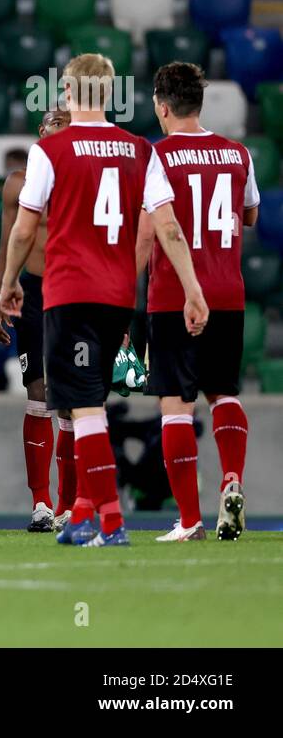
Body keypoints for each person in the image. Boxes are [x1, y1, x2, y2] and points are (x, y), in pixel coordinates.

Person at [0, 54, 209, 547]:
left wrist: (9, 280)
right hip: (119, 296)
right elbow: (169, 227)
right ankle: (83, 517)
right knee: (91, 402)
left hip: (70, 291)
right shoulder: (141, 149)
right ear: (110, 94)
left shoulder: (49, 151)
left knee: (84, 408)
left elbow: (26, 228)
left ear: (68, 94)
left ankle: (109, 522)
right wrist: (193, 289)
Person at [136, 62, 259, 542]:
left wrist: (126, 296)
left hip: (174, 296)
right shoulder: (237, 153)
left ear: (162, 107)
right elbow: (248, 214)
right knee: (224, 392)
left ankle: (189, 520)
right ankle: (232, 479)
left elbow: (152, 231)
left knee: (175, 403)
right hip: (228, 291)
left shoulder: (155, 157)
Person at [0, 108, 71, 533]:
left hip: (76, 288)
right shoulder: (18, 183)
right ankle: (42, 502)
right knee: (37, 391)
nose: (61, 128)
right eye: (55, 123)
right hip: (33, 292)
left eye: (68, 123)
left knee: (72, 396)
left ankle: (72, 505)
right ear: (42, 131)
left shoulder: (84, 178)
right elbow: (7, 241)